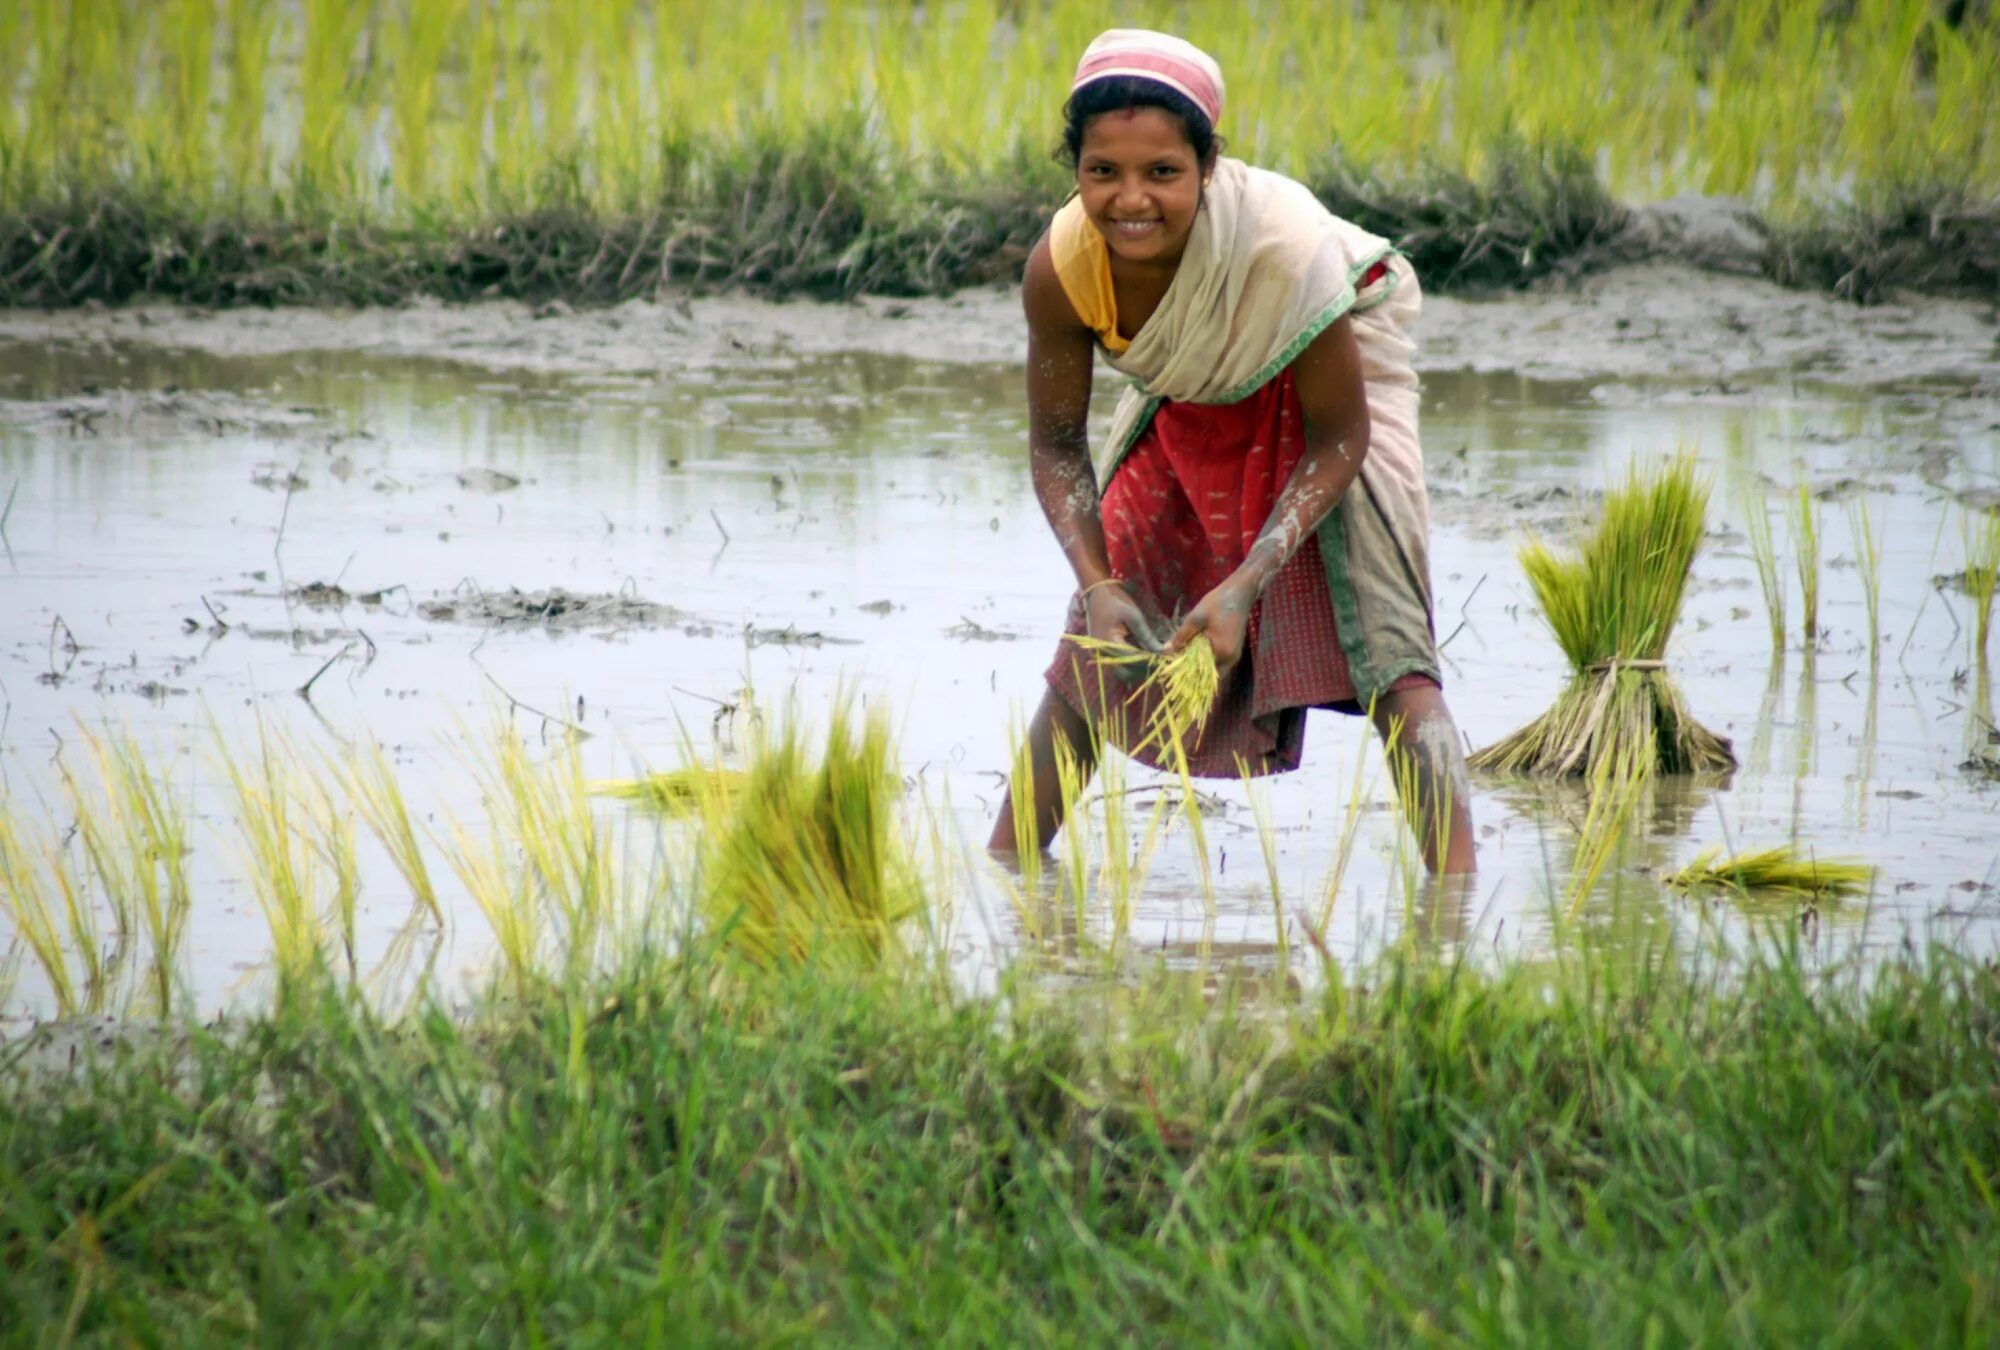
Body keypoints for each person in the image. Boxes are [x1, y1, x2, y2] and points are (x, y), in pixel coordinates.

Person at [988, 29, 1475, 873]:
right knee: (1096, 643)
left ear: (1209, 166)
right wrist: (1098, 585)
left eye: (1162, 173)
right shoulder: (1062, 268)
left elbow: (1341, 437)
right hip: (1189, 396)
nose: (1130, 199)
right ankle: (1006, 869)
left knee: (1393, 649)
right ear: (1076, 169)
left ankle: (1456, 894)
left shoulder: (1282, 250)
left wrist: (1248, 582)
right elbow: (1058, 446)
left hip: (1320, 381)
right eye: (1103, 171)